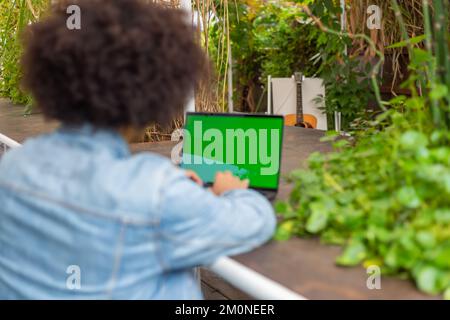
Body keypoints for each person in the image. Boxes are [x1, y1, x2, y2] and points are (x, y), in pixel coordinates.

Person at [0, 0, 275, 299]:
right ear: (153, 94)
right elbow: (255, 221)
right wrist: (231, 191)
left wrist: (178, 193)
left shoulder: (11, 168)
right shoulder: (154, 192)